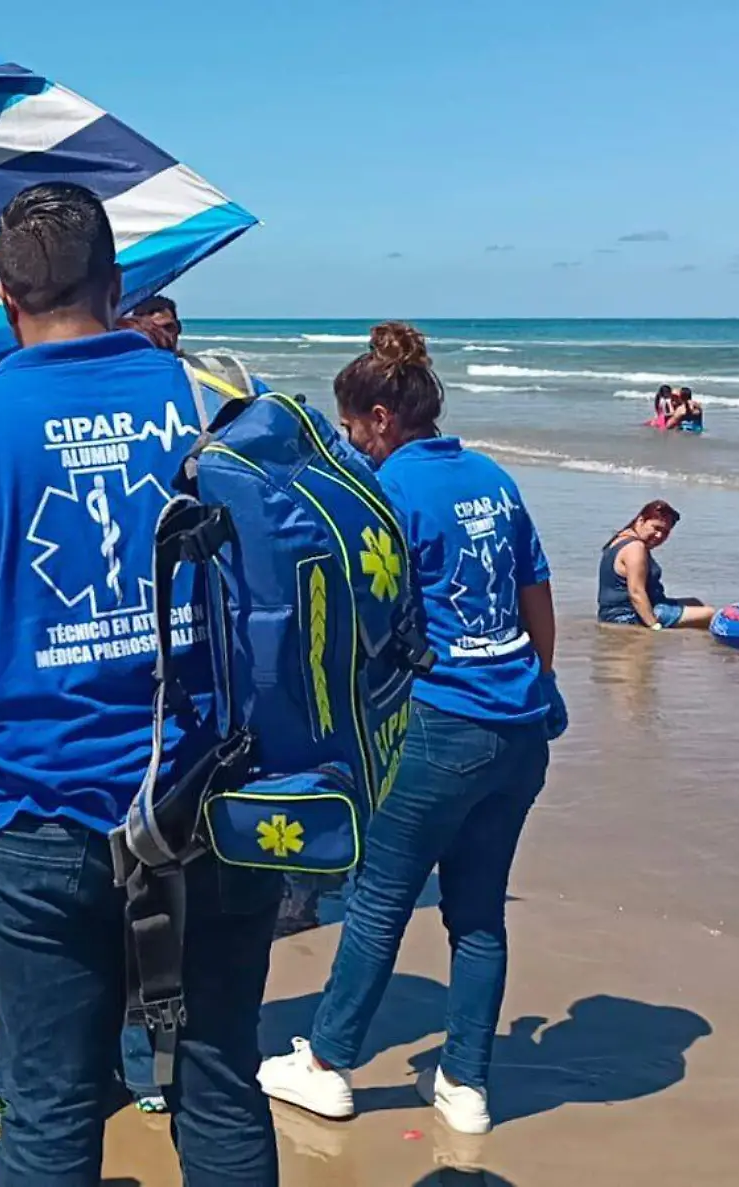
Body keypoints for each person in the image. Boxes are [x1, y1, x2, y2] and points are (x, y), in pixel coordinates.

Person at [0, 182, 281, 1185]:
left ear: (5, 299)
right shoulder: (214, 401)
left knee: (48, 1108)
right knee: (218, 1080)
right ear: (119, 283)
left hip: (42, 818)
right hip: (213, 800)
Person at [257, 323, 565, 1135]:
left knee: (379, 900)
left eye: (354, 428)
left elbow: (358, 614)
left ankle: (324, 1064)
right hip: (519, 725)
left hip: (438, 724)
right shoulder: (492, 478)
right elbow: (534, 589)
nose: (352, 443)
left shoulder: (387, 493)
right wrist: (547, 677)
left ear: (383, 417)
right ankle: (466, 1084)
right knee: (479, 913)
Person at [597, 500, 715, 630]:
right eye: (656, 528)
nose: (659, 535)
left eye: (665, 532)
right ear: (641, 520)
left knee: (695, 603)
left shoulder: (620, 539)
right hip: (628, 615)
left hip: (611, 613)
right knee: (709, 614)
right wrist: (654, 626)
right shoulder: (635, 547)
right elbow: (636, 592)